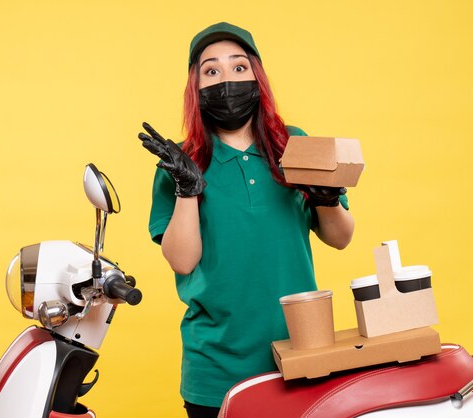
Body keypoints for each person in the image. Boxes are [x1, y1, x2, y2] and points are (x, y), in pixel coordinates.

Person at [139, 22, 355, 418]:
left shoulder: (293, 144)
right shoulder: (179, 161)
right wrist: (188, 187)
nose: (226, 80)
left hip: (302, 353)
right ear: (196, 87)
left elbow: (341, 237)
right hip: (217, 369)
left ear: (257, 76)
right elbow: (182, 261)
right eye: (211, 71)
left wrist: (326, 198)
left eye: (238, 67)